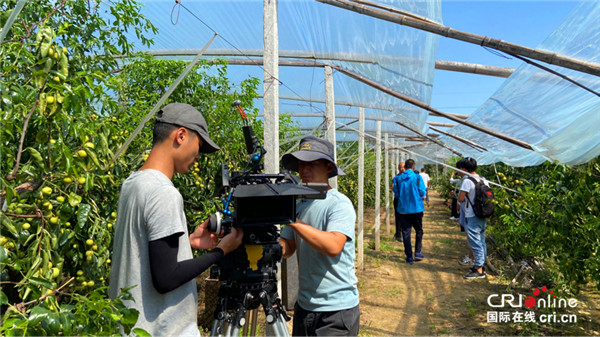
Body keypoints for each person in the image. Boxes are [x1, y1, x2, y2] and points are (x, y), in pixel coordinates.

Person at [109, 103, 244, 336]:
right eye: (199, 146)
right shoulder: (164, 192)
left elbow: (144, 249)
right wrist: (221, 251)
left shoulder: (133, 183)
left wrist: (187, 242)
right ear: (181, 135)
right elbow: (166, 278)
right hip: (162, 330)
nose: (198, 156)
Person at [279, 135, 360, 336]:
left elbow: (333, 246)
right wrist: (266, 241)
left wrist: (294, 222)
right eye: (300, 164)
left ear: (328, 168)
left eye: (312, 164)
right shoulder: (299, 204)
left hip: (335, 310)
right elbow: (288, 248)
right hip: (305, 306)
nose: (304, 170)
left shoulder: (338, 203)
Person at [457, 157, 489, 279]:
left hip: (472, 215)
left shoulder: (467, 181)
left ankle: (479, 270)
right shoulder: (483, 180)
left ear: (464, 169)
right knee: (481, 241)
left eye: (459, 169)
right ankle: (481, 265)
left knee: (475, 242)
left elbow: (460, 198)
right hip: (482, 214)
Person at [392, 159, 426, 264]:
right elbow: (422, 191)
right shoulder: (417, 177)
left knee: (406, 233)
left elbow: (396, 193)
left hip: (403, 209)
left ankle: (409, 256)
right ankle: (417, 252)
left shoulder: (397, 178)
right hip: (416, 209)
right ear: (414, 167)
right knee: (419, 231)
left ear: (405, 166)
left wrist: (403, 197)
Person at [391, 162, 405, 241]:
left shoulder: (406, 177)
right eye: (401, 167)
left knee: (405, 217)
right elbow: (394, 188)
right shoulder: (396, 178)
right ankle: (398, 234)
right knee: (398, 217)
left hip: (405, 199)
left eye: (403, 167)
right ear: (398, 168)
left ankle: (403, 233)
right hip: (398, 199)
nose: (402, 169)